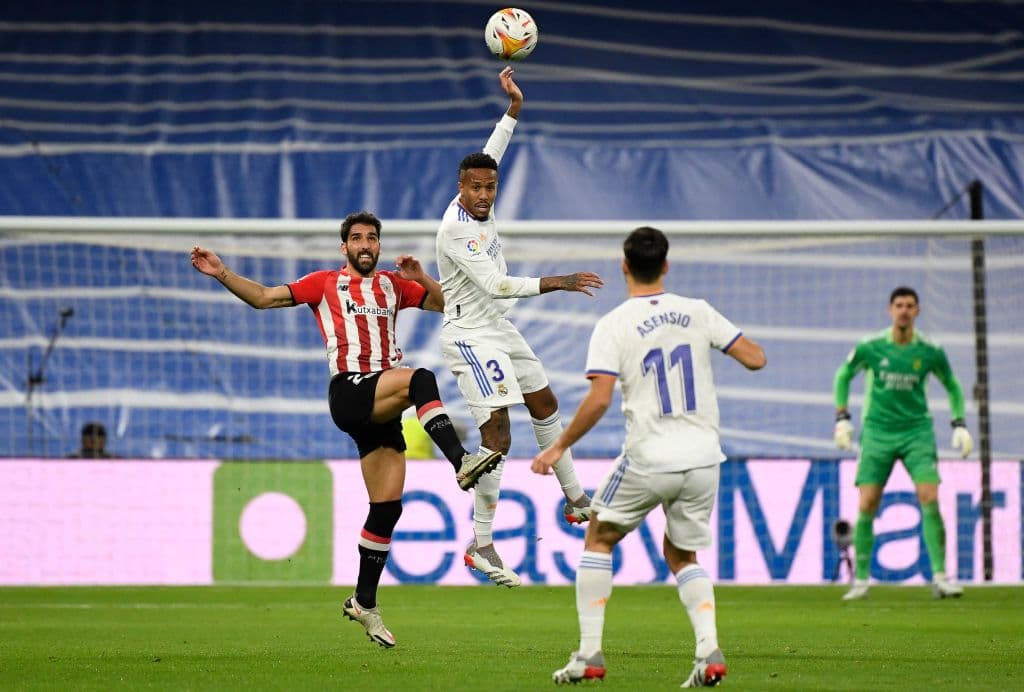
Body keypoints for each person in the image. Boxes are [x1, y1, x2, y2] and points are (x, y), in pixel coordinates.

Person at [190, 211, 501, 648]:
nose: (365, 244)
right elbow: (262, 297)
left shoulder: (394, 286)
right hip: (351, 391)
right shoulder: (323, 283)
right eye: (356, 238)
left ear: (378, 245)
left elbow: (451, 305)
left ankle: (364, 603)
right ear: (345, 248)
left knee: (387, 509)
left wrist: (422, 276)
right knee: (420, 379)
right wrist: (221, 271)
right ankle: (462, 461)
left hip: (381, 410)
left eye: (372, 238)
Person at [531, 227, 766, 687]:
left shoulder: (614, 324)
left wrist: (558, 446)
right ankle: (707, 651)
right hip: (703, 459)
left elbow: (598, 400)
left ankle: (589, 654)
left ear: (624, 266)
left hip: (650, 456)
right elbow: (755, 359)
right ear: (666, 266)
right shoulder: (697, 312)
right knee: (681, 552)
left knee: (598, 537)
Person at [435, 66, 605, 588]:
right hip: (469, 334)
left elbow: (492, 152)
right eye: (476, 187)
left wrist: (513, 110)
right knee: (499, 435)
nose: (485, 195)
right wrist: (561, 280)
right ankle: (481, 543)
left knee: (546, 404)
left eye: (490, 187)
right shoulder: (457, 231)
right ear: (460, 188)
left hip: (498, 328)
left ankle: (576, 500)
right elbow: (498, 285)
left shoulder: (482, 190)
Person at [833, 286, 972, 601]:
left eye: (910, 305)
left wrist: (959, 422)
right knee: (867, 502)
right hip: (878, 432)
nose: (904, 310)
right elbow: (843, 375)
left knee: (929, 495)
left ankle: (940, 577)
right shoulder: (872, 347)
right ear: (890, 309)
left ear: (917, 311)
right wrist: (842, 416)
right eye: (899, 305)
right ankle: (862, 581)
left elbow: (952, 384)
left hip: (916, 432)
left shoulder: (930, 350)